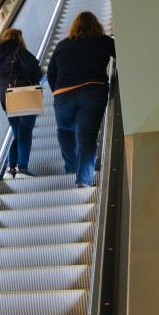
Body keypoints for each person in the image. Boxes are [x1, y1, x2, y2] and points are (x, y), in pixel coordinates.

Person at [47, 11, 116, 188]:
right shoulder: (104, 41)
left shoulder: (62, 45)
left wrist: (58, 92)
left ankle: (71, 167)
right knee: (87, 136)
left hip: (63, 93)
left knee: (65, 130)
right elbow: (123, 55)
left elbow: (51, 73)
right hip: (92, 91)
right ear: (96, 25)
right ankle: (83, 180)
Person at [0, 28, 43, 178]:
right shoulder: (19, 51)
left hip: (7, 99)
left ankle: (11, 168)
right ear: (18, 39)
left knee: (17, 133)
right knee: (25, 133)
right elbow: (35, 68)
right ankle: (22, 168)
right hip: (24, 96)